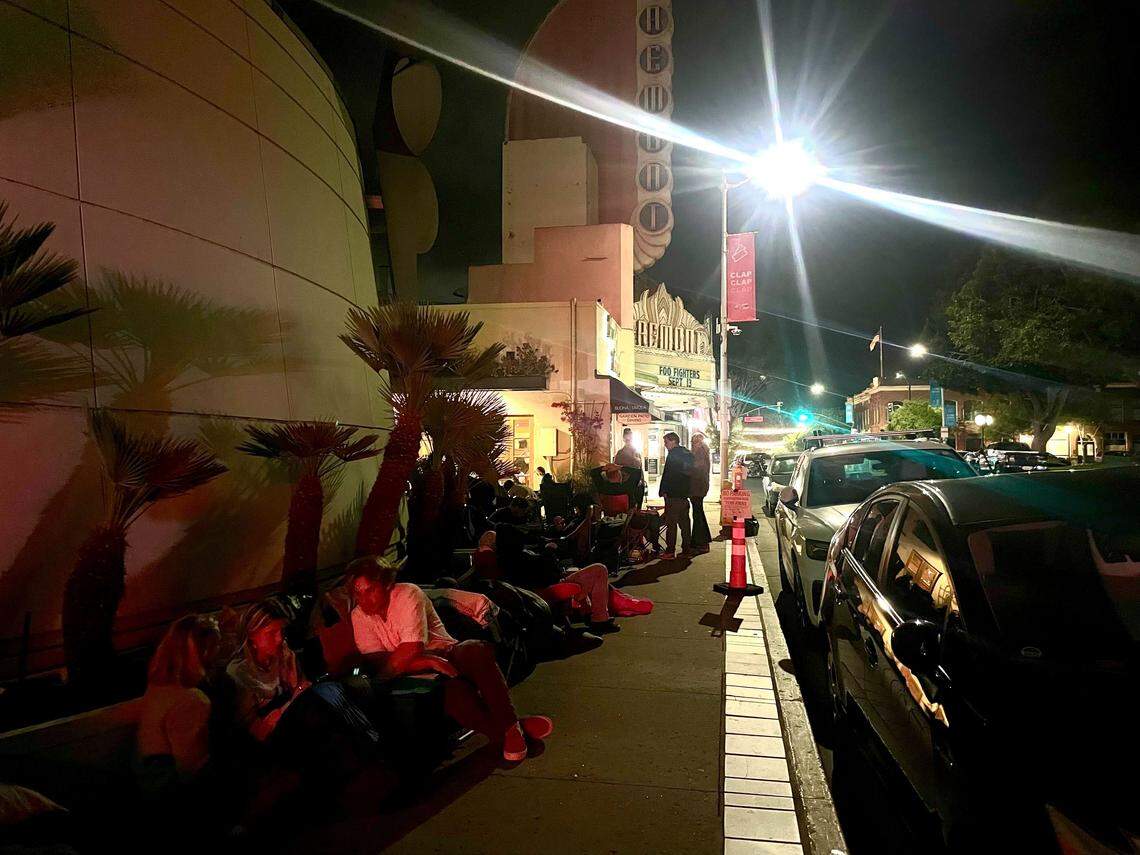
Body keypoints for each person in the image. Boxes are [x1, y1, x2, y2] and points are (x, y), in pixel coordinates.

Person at [347, 557, 554, 762]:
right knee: (453, 693)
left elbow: (410, 648)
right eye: (358, 592)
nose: (363, 599)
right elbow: (377, 661)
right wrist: (427, 662)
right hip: (414, 670)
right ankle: (511, 730)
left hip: (445, 651)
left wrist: (418, 660)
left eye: (370, 590)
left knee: (475, 650)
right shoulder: (359, 615)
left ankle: (510, 727)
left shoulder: (407, 593)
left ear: (387, 585)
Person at [227, 600, 379, 776]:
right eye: (271, 633)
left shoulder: (283, 653)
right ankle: (368, 740)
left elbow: (302, 687)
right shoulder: (238, 673)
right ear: (251, 636)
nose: (279, 639)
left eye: (281, 631)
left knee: (350, 684)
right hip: (273, 736)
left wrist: (295, 697)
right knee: (324, 696)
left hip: (298, 713)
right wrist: (292, 701)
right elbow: (258, 732)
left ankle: (366, 741)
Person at [136, 615, 220, 799]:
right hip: (171, 797)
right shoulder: (191, 700)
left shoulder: (158, 687)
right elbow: (191, 767)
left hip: (148, 785)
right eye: (216, 646)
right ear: (203, 652)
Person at [658, 432, 693, 559]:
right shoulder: (688, 454)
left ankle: (670, 551)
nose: (665, 445)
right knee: (684, 524)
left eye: (666, 442)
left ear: (673, 441)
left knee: (671, 524)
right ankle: (686, 550)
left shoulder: (673, 455)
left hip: (673, 494)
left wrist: (664, 491)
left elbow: (668, 475)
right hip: (684, 494)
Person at [689, 433, 712, 553]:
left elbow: (697, 469)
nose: (692, 445)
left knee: (697, 514)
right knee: (698, 513)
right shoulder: (703, 452)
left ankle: (700, 542)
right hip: (699, 487)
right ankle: (702, 540)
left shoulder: (699, 453)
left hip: (697, 488)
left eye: (693, 442)